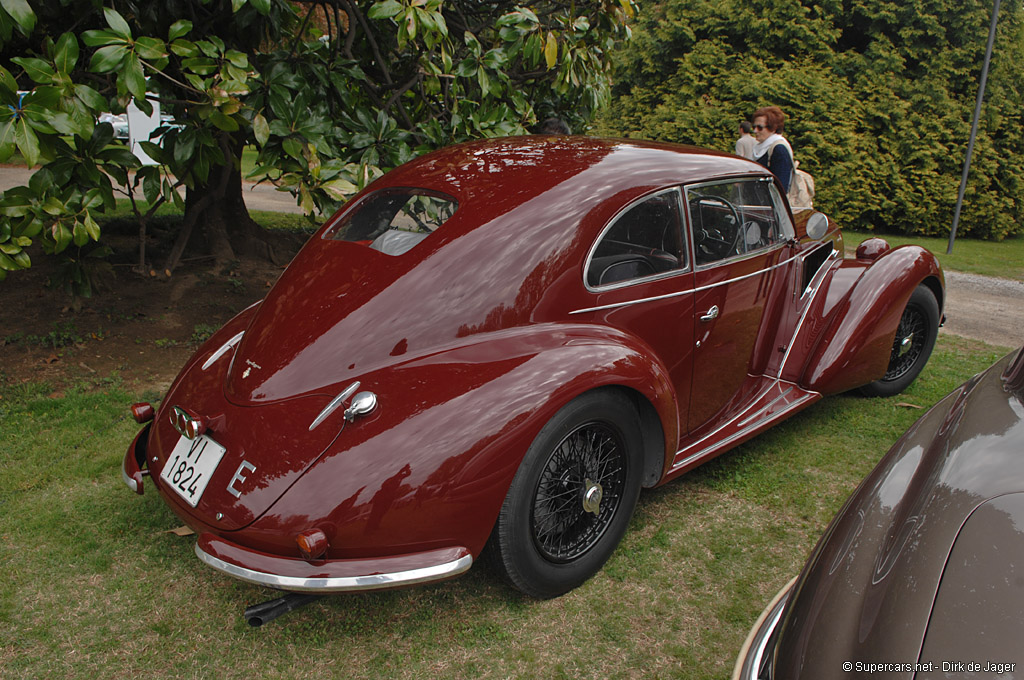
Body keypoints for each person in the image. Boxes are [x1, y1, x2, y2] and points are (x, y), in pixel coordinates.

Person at [751, 106, 794, 192]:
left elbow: (781, 188)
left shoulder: (779, 149)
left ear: (773, 128)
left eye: (760, 127)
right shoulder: (760, 147)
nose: (755, 131)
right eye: (754, 127)